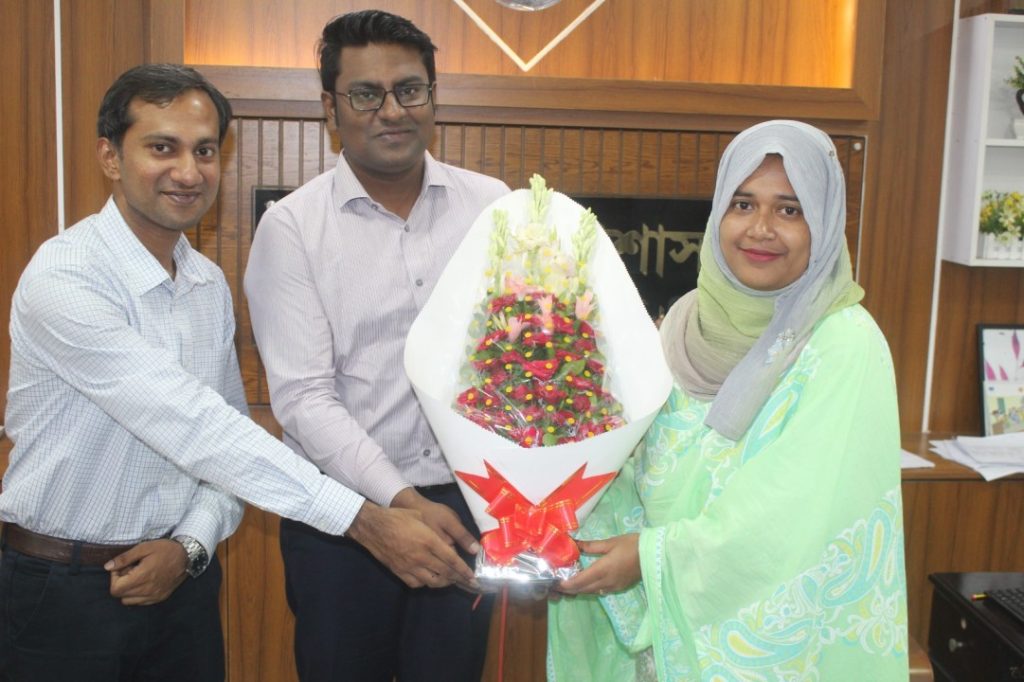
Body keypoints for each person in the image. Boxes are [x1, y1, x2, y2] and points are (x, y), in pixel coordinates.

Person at [0, 63, 474, 682]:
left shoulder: (205, 283)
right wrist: (364, 520)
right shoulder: (66, 277)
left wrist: (189, 545)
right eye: (162, 148)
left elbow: (225, 445)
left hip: (182, 586)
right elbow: (194, 426)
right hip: (60, 590)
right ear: (110, 157)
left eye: (204, 151)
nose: (188, 172)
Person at [547, 120, 909, 680]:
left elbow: (793, 515)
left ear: (824, 224)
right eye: (743, 204)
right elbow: (634, 467)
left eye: (790, 210)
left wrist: (650, 558)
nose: (760, 228)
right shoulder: (679, 325)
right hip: (659, 645)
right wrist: (553, 511)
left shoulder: (845, 343)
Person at [244, 10, 510, 682]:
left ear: (433, 96)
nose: (392, 111)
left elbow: (519, 361)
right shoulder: (292, 228)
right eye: (365, 94)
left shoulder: (493, 209)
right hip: (344, 521)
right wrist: (400, 501)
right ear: (330, 107)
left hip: (469, 506)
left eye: (409, 90)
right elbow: (304, 398)